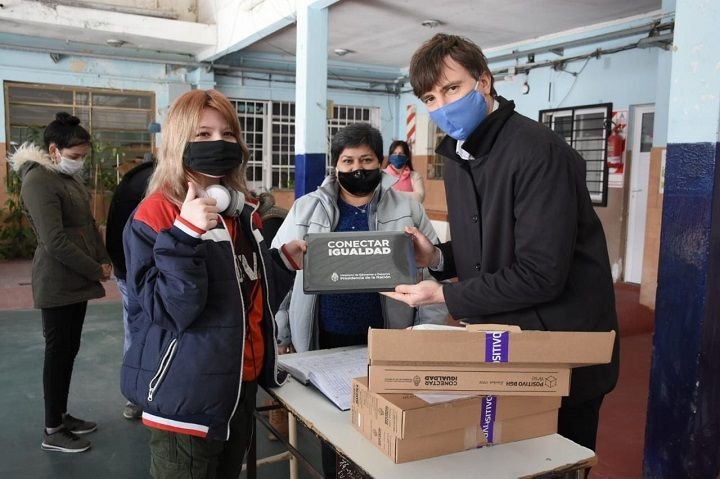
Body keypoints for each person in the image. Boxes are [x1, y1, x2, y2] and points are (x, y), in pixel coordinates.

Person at [384, 33, 620, 452]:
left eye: (452, 88)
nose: (442, 105)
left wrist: (444, 295)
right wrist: (437, 255)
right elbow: (488, 250)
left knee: (554, 461)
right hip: (508, 348)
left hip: (561, 351)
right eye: (430, 98)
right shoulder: (459, 158)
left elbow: (541, 273)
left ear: (484, 82)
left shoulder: (539, 153)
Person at [119, 89, 304, 479]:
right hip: (185, 397)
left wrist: (283, 262)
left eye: (227, 134)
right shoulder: (154, 215)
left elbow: (242, 293)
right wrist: (183, 235)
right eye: (203, 135)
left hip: (238, 386)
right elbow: (172, 310)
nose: (218, 143)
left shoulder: (238, 212)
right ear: (178, 141)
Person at [271, 122, 445, 478]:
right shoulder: (306, 210)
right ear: (335, 165)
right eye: (348, 161)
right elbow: (282, 276)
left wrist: (430, 330)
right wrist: (284, 333)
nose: (357, 169)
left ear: (380, 162)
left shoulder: (408, 209)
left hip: (388, 337)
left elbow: (433, 270)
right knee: (333, 433)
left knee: (386, 427)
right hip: (324, 338)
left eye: (366, 160)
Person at [9, 112, 112, 453]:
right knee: (58, 352)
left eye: (83, 157)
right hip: (57, 279)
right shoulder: (38, 182)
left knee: (69, 349)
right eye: (75, 157)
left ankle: (62, 415)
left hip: (76, 277)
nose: (80, 163)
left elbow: (87, 223)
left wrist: (103, 258)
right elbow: (54, 241)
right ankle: (52, 428)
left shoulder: (67, 180)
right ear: (54, 150)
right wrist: (94, 269)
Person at [105, 155, 155, 420]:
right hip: (139, 271)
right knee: (147, 332)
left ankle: (135, 397)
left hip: (125, 268)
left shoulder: (132, 180)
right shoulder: (157, 184)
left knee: (133, 330)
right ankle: (143, 395)